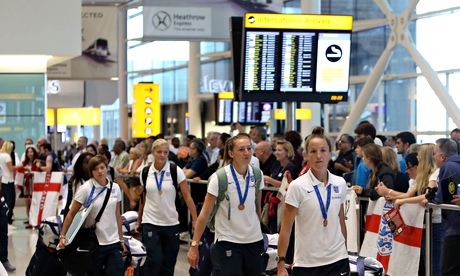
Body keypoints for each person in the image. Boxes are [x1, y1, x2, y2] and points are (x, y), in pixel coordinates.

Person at [187, 133, 265, 275]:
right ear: (231, 153)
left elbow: (257, 207)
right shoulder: (219, 177)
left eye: (249, 148)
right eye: (241, 149)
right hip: (228, 241)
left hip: (254, 241)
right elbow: (204, 214)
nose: (246, 153)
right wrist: (194, 245)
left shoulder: (257, 174)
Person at [277, 126, 349, 276]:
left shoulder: (340, 183)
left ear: (330, 154)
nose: (319, 156)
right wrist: (281, 264)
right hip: (307, 263)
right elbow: (286, 229)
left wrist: (346, 255)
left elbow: (341, 221)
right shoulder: (297, 186)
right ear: (306, 155)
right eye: (313, 151)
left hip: (338, 260)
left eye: (323, 150)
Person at [378, 144, 444, 276]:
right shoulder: (422, 177)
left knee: (433, 263)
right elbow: (409, 195)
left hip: (434, 222)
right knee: (425, 261)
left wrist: (401, 200)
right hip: (423, 223)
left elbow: (426, 195)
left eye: (419, 157)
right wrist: (393, 196)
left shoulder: (434, 174)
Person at [135, 139, 197, 276]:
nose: (162, 155)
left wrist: (195, 220)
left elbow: (187, 197)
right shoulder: (145, 172)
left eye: (165, 152)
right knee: (154, 260)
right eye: (159, 152)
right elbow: (143, 199)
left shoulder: (176, 171)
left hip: (171, 223)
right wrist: (139, 220)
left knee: (168, 263)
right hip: (150, 222)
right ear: (153, 152)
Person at [58, 155, 126, 275]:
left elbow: (117, 215)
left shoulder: (115, 187)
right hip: (94, 242)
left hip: (113, 241)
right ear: (91, 171)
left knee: (117, 271)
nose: (100, 171)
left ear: (107, 168)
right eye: (95, 169)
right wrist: (63, 235)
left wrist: (121, 240)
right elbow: (71, 214)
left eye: (102, 167)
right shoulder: (85, 189)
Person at [428, 138, 460, 275]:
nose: (434, 157)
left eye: (435, 154)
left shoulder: (448, 167)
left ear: (442, 156)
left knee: (449, 270)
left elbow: (442, 198)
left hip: (455, 227)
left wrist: (431, 194)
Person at [264, 140, 298, 233]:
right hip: (273, 203)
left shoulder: (291, 168)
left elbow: (285, 185)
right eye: (276, 150)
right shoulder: (276, 165)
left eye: (279, 150)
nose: (276, 153)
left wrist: (269, 180)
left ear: (287, 152)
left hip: (283, 203)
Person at [63, 152, 95, 218]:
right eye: (86, 162)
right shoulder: (74, 181)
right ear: (80, 165)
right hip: (77, 215)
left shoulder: (97, 181)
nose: (89, 165)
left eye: (91, 163)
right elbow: (68, 202)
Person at [0, 141, 24, 225]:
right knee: (11, 201)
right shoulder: (7, 156)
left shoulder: (0, 155)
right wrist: (21, 165)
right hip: (8, 180)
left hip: (3, 180)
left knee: (5, 200)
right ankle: (7, 217)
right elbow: (11, 168)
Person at [20, 147, 41, 228]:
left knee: (34, 202)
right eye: (28, 152)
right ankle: (29, 220)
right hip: (26, 183)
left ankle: (35, 220)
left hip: (34, 182)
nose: (29, 153)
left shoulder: (36, 162)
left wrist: (30, 171)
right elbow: (19, 169)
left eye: (31, 152)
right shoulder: (24, 162)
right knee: (27, 203)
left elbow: (38, 171)